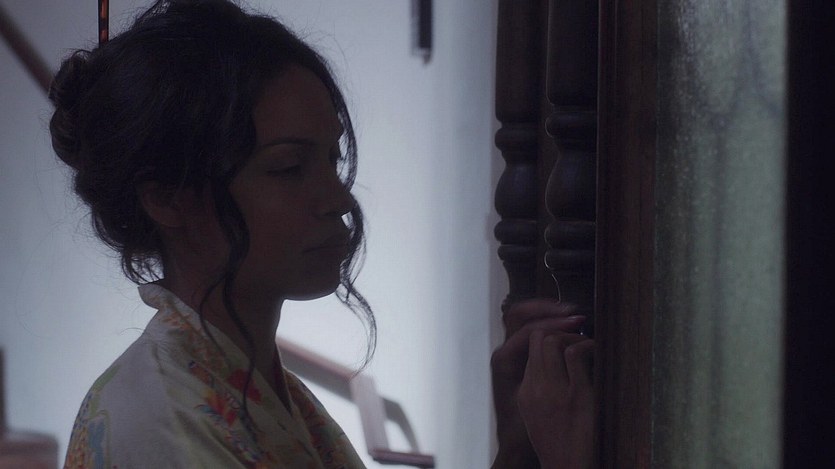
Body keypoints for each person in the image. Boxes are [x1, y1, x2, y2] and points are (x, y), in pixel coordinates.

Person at [50, 0, 594, 467]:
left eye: (332, 160)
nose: (339, 200)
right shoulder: (162, 428)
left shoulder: (253, 387)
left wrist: (519, 447)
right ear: (169, 198)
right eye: (288, 168)